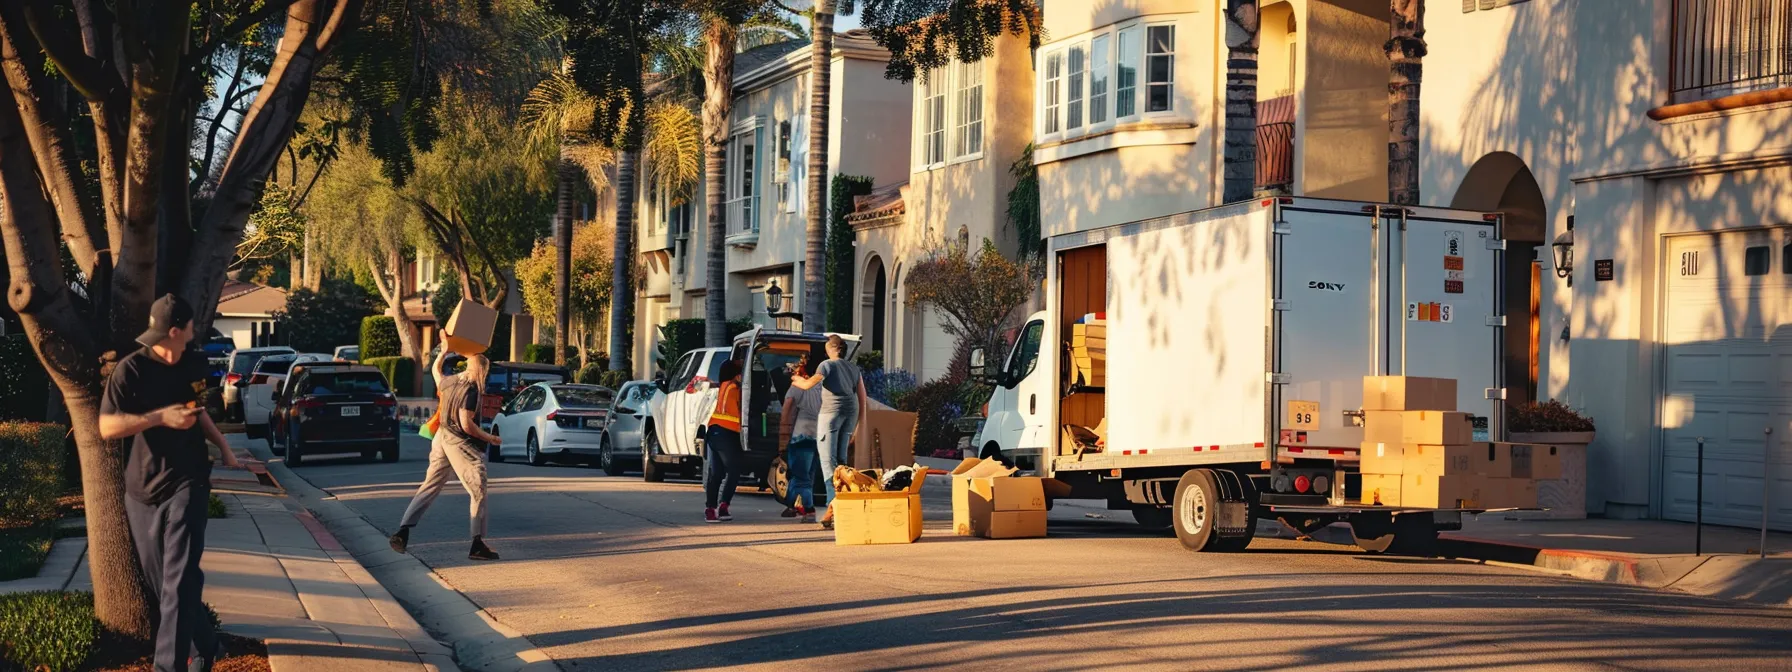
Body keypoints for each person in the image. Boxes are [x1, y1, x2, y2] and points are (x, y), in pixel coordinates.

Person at [100, 294, 244, 672]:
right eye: (191, 328)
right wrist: (159, 417)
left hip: (189, 480)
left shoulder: (194, 364)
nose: (194, 333)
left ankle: (168, 667)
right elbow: (107, 427)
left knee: (178, 582)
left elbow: (198, 413)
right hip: (142, 489)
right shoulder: (131, 370)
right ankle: (209, 646)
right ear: (177, 331)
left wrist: (225, 447)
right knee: (163, 581)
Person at [390, 348, 503, 560]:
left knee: (430, 484)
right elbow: (466, 424)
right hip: (458, 440)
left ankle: (402, 532)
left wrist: (443, 350)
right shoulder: (471, 389)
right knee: (478, 486)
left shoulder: (449, 382)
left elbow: (435, 370)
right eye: (485, 373)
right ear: (482, 370)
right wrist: (490, 438)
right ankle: (477, 544)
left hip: (440, 437)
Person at [789, 335, 869, 529]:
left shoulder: (826, 365)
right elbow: (862, 397)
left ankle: (833, 509)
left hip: (831, 415)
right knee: (841, 463)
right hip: (850, 414)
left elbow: (809, 385)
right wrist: (859, 426)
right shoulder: (853, 368)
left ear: (829, 350)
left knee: (828, 464)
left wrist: (795, 379)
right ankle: (842, 507)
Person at [778, 357, 824, 524]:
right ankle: (792, 505)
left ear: (804, 370)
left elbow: (786, 410)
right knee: (807, 474)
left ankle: (809, 510)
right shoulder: (822, 387)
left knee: (800, 476)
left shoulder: (797, 386)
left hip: (800, 435)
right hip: (818, 436)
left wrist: (783, 437)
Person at [703, 359, 745, 523]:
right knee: (733, 470)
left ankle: (710, 509)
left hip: (714, 432)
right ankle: (723, 506)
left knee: (717, 473)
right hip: (726, 433)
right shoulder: (734, 388)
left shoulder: (724, 386)